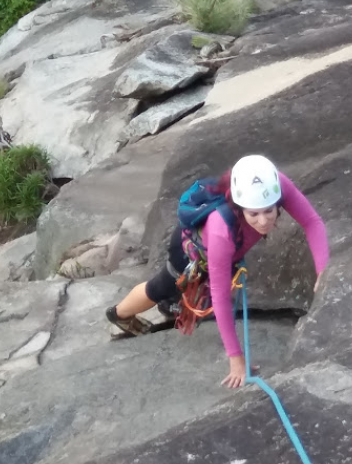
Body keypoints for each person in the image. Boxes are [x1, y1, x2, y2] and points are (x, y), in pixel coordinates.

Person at [106, 154, 329, 388]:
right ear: (240, 206)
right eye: (253, 214)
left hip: (227, 250)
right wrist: (236, 359)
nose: (263, 221)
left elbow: (312, 222)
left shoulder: (273, 185)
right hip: (191, 254)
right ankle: (119, 314)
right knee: (161, 286)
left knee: (183, 291)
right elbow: (221, 298)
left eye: (269, 211)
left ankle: (170, 305)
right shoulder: (221, 229)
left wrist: (323, 269)